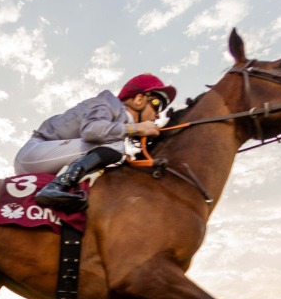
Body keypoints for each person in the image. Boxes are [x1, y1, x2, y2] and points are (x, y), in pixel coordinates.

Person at [15, 73, 177, 212]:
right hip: (33, 154)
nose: (158, 115)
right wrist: (138, 128)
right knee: (116, 148)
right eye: (157, 104)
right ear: (139, 99)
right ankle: (56, 187)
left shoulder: (118, 125)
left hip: (51, 156)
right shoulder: (107, 102)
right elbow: (92, 130)